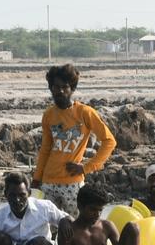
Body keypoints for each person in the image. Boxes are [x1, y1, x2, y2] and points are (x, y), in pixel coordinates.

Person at [33, 64, 117, 216]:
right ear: (51, 88)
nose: (60, 91)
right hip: (48, 181)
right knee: (47, 225)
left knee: (77, 224)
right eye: (56, 87)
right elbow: (45, 149)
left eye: (64, 87)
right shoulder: (48, 115)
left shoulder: (85, 113)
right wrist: (37, 178)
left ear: (72, 89)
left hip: (72, 183)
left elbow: (109, 141)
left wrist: (86, 167)